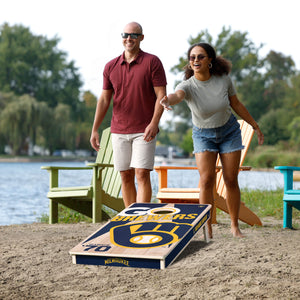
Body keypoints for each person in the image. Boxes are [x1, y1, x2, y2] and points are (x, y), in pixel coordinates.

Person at [160, 43, 264, 238]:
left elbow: (236, 104)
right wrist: (167, 100)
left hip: (229, 132)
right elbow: (177, 96)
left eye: (200, 57)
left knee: (230, 179)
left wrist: (254, 125)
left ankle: (234, 226)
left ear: (209, 60)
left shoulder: (223, 80)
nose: (196, 60)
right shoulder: (187, 85)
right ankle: (206, 227)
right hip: (203, 135)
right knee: (206, 179)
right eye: (192, 58)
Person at [90, 22, 167, 208]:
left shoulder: (152, 62)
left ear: (141, 37)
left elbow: (161, 96)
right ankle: (131, 219)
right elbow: (104, 100)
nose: (129, 38)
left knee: (141, 173)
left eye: (134, 35)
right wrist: (94, 130)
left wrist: (154, 123)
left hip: (144, 129)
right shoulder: (111, 66)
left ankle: (142, 218)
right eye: (125, 34)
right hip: (119, 130)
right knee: (125, 175)